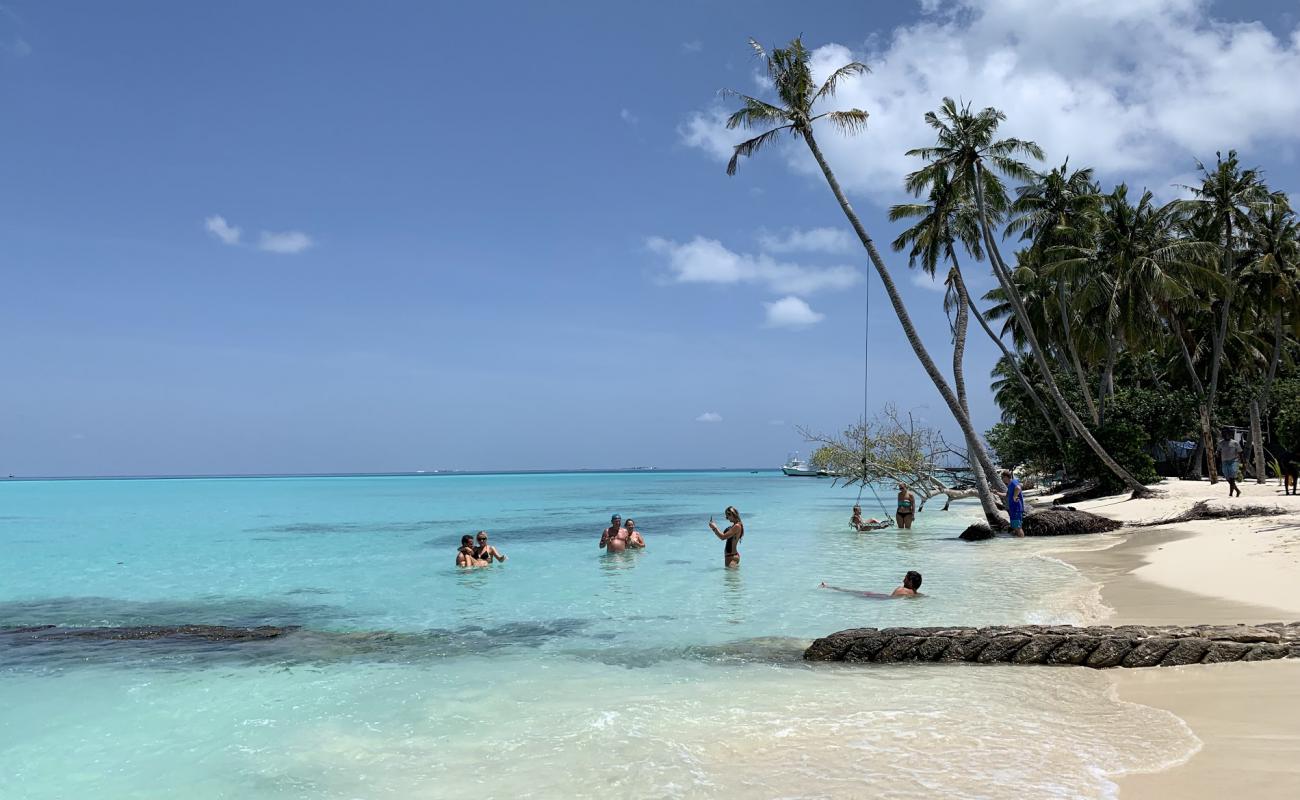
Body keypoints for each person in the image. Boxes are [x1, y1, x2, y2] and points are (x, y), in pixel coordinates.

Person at [819, 571, 923, 598]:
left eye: (905, 578)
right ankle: (829, 587)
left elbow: (891, 598)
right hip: (883, 598)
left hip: (880, 598)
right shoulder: (915, 594)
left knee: (851, 592)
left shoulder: (901, 589)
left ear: (910, 581)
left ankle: (828, 586)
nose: (902, 580)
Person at [1218, 429, 1242, 497]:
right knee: (1227, 478)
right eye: (1225, 434)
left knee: (1232, 478)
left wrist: (1242, 461)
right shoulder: (1221, 443)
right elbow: (1219, 451)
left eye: (1228, 434)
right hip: (1224, 461)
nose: (1227, 436)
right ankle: (1237, 490)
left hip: (1233, 461)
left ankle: (1231, 493)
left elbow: (1240, 452)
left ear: (1230, 435)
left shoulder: (1235, 443)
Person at [1002, 469, 1024, 537]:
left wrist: (1015, 496)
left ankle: (1022, 542)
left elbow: (1018, 488)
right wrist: (996, 493)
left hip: (1016, 508)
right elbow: (1006, 495)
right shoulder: (1009, 485)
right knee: (1015, 527)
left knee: (1018, 527)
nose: (1002, 479)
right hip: (1013, 509)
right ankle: (1019, 543)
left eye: (1002, 477)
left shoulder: (1014, 482)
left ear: (1006, 477)